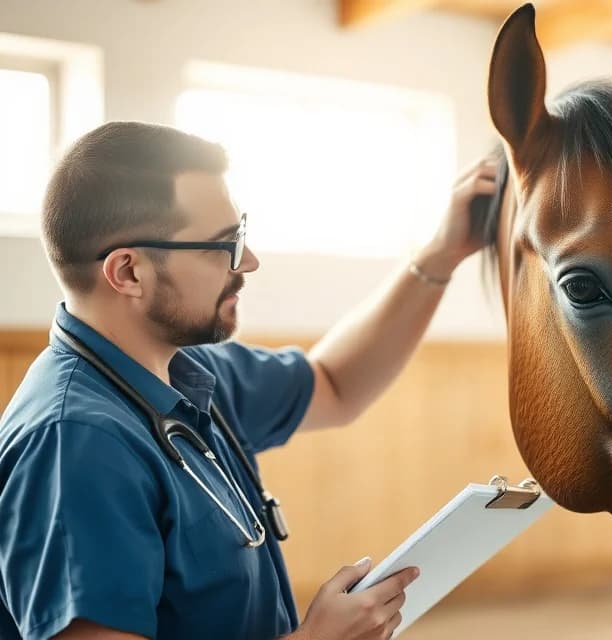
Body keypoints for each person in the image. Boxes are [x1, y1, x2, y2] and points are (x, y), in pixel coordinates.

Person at [0, 121, 498, 640]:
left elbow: (334, 384)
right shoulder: (75, 443)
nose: (249, 261)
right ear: (128, 273)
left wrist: (442, 253)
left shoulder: (189, 372)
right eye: (224, 245)